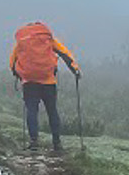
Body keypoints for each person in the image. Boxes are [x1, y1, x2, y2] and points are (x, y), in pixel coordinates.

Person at [9, 21, 80, 151]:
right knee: (52, 111)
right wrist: (75, 70)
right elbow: (65, 53)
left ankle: (34, 142)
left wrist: (21, 75)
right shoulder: (48, 38)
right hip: (48, 82)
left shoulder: (22, 42)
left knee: (32, 111)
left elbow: (12, 63)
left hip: (29, 82)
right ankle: (57, 143)